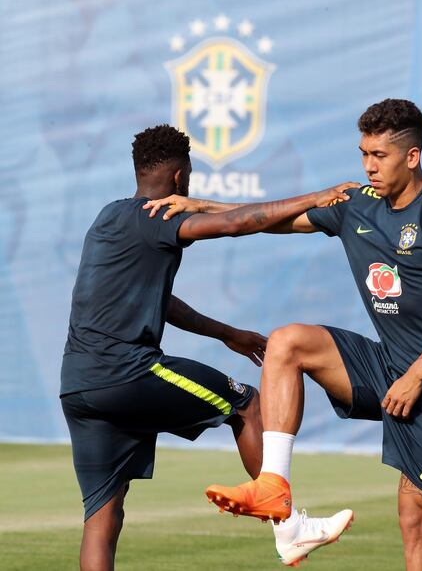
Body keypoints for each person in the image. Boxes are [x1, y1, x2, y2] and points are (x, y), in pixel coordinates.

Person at [144, 99, 422, 571]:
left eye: (379, 156)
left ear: (412, 157)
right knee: (287, 341)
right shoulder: (357, 205)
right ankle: (273, 485)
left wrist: (415, 376)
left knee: (416, 525)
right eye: (363, 153)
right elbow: (272, 219)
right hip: (387, 365)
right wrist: (199, 206)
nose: (368, 166)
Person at [60, 124, 356, 571]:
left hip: (78, 388)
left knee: (103, 517)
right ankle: (290, 528)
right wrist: (315, 197)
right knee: (246, 403)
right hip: (126, 373)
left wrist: (226, 333)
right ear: (181, 177)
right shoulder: (159, 217)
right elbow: (237, 223)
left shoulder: (107, 217)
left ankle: (288, 523)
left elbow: (161, 301)